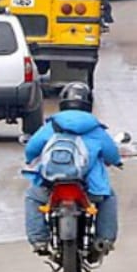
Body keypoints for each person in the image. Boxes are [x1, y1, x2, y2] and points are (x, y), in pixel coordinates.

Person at [23, 82, 120, 260]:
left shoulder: (51, 126)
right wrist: (117, 161)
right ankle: (104, 239)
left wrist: (30, 159)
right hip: (88, 186)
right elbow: (112, 154)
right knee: (108, 198)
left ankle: (39, 240)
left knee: (32, 197)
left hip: (51, 182)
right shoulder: (95, 128)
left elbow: (31, 149)